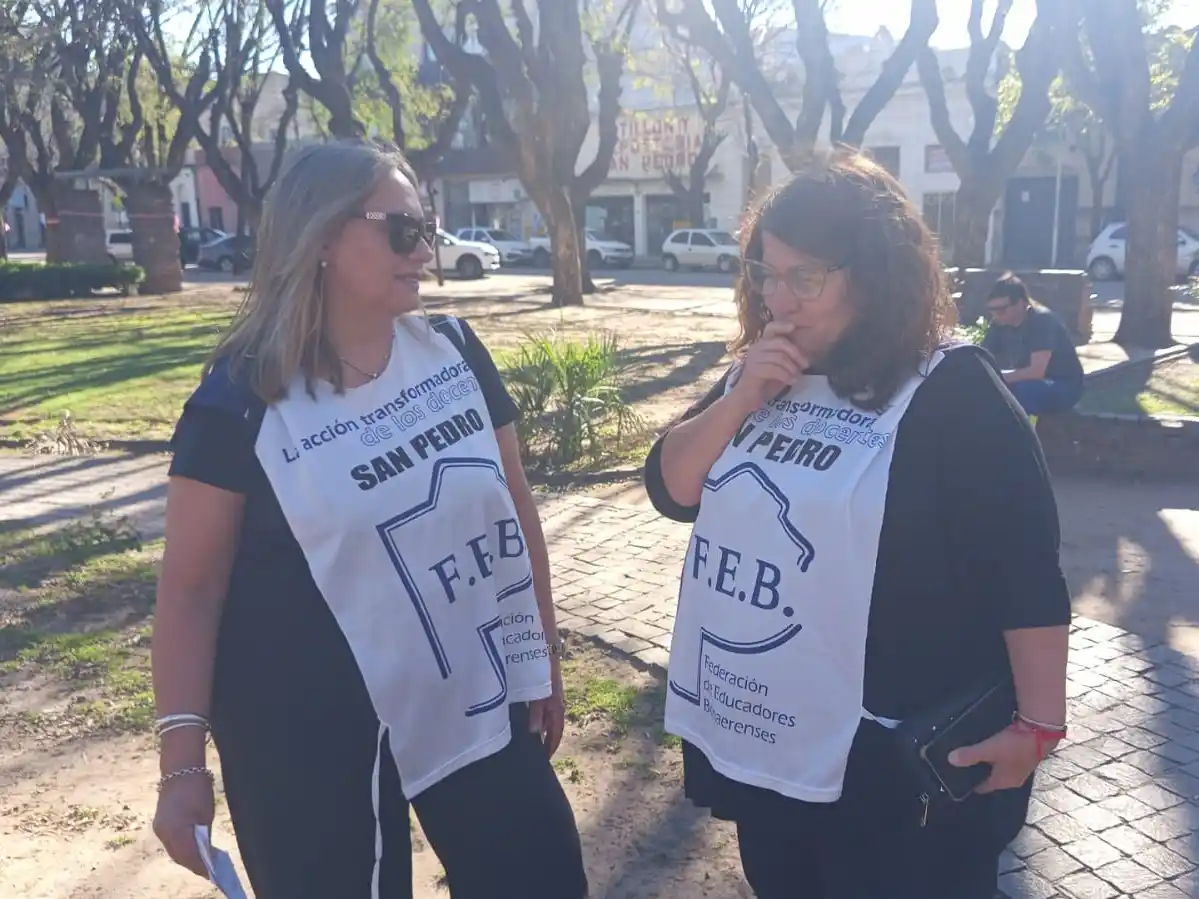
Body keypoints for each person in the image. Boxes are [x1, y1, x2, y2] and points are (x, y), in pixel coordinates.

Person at [151, 140, 588, 899]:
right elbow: (191, 592)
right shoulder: (240, 401)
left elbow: (513, 511)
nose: (426, 248)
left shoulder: (453, 352)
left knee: (540, 874)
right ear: (320, 237)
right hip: (308, 724)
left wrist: (538, 652)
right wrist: (181, 765)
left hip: (469, 682)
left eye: (429, 225)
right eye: (401, 229)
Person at [643, 151, 1071, 899]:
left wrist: (1038, 727)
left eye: (803, 276)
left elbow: (1025, 575)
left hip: (893, 767)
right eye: (764, 272)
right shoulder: (763, 369)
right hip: (768, 747)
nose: (778, 298)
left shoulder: (952, 390)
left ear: (874, 273)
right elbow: (672, 488)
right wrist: (740, 398)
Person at [981, 272, 1084, 416]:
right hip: (1025, 381)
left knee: (1024, 390)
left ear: (1022, 302)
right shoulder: (999, 324)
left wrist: (995, 378)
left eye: (1002, 310)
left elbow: (1036, 371)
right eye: (993, 311)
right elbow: (983, 358)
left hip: (1061, 385)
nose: (997, 315)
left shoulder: (1042, 321)